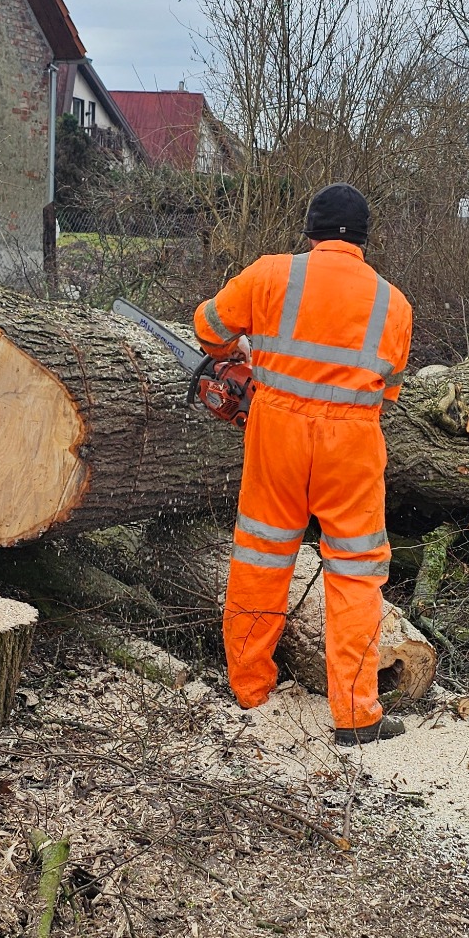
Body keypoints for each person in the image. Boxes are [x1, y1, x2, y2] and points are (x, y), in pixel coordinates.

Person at [194, 183, 413, 745]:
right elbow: (385, 390)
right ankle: (357, 715)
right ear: (364, 239)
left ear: (310, 231)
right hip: (354, 445)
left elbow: (208, 328)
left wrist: (238, 357)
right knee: (357, 574)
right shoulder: (394, 303)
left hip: (276, 435)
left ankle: (250, 688)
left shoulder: (271, 274)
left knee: (262, 555)